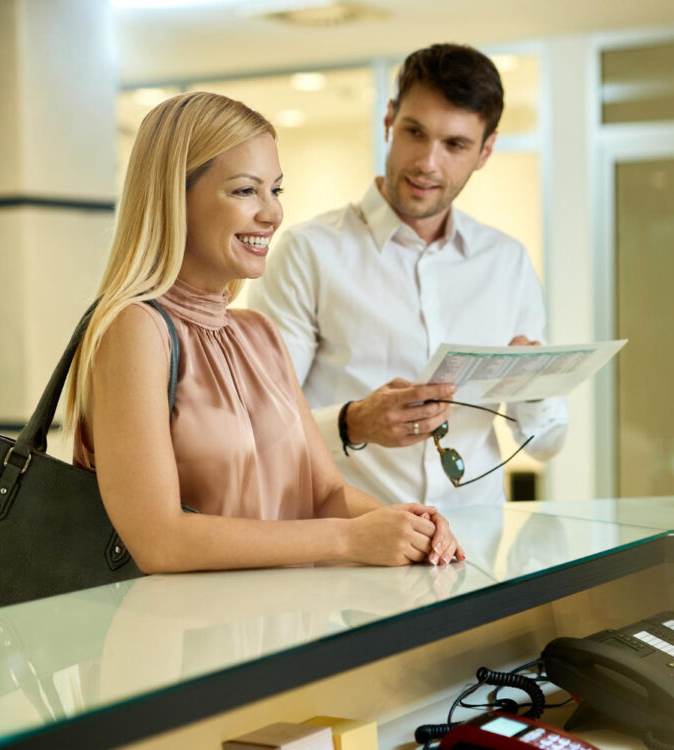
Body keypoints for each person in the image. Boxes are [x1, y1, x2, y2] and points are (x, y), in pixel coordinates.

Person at [65, 91, 462, 572]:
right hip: (183, 641)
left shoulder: (258, 334)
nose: (272, 213)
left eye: (275, 190)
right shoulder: (136, 328)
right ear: (175, 197)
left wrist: (414, 523)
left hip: (287, 629)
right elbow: (160, 540)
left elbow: (325, 493)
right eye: (244, 190)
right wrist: (347, 540)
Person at [249, 43, 568, 511]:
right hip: (347, 552)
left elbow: (545, 444)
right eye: (415, 132)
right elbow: (260, 424)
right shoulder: (308, 252)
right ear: (389, 120)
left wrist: (532, 388)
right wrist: (351, 423)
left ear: (486, 150)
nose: (427, 162)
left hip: (473, 550)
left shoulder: (508, 263)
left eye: (455, 145)